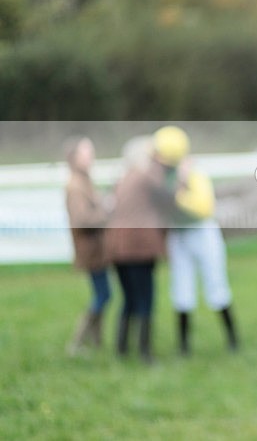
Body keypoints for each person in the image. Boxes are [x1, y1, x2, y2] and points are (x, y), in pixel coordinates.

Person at [159, 126, 238, 355]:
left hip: (203, 233)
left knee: (216, 286)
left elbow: (203, 208)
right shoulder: (165, 176)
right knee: (181, 290)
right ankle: (183, 347)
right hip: (179, 234)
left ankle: (233, 341)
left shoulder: (195, 174)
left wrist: (179, 189)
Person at [104, 131, 177, 363]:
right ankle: (145, 353)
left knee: (128, 299)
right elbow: (167, 200)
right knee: (145, 299)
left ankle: (122, 349)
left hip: (117, 246)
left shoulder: (123, 178)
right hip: (139, 247)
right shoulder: (146, 176)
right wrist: (181, 177)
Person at [64, 136, 112, 355]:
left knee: (103, 293)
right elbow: (82, 219)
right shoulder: (75, 185)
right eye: (86, 152)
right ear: (75, 157)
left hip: (96, 249)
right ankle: (78, 343)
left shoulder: (84, 181)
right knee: (103, 294)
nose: (91, 155)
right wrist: (106, 211)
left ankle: (95, 342)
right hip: (90, 250)